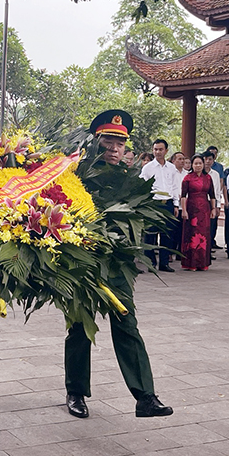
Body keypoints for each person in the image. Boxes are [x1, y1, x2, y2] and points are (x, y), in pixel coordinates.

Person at [65, 110, 173, 421]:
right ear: (96, 142)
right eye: (108, 141)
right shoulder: (79, 176)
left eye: (119, 143)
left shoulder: (133, 180)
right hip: (84, 264)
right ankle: (76, 391)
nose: (114, 148)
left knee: (127, 326)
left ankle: (145, 397)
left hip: (118, 266)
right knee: (79, 328)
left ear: (126, 148)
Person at [140, 138, 177, 272]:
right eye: (155, 149)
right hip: (153, 204)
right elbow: (142, 187)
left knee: (167, 235)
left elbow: (175, 187)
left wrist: (176, 205)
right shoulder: (148, 168)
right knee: (150, 234)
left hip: (168, 203)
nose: (158, 152)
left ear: (166, 151)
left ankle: (164, 263)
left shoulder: (172, 168)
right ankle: (151, 263)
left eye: (161, 149)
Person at [180, 154, 219, 271]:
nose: (198, 165)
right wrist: (184, 210)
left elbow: (212, 195)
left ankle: (203, 263)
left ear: (203, 164)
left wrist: (213, 208)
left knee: (204, 235)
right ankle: (191, 263)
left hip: (204, 210)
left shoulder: (208, 178)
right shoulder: (187, 178)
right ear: (192, 165)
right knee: (192, 235)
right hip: (191, 208)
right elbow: (183, 196)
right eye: (195, 163)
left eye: (200, 163)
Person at [203, 149, 226, 250]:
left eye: (210, 159)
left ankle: (208, 249)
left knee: (211, 227)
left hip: (211, 202)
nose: (208, 161)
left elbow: (217, 191)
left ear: (213, 161)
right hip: (199, 202)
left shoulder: (215, 174)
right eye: (205, 159)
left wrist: (217, 206)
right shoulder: (197, 173)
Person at [170, 151, 188, 254]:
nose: (182, 161)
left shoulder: (187, 174)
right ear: (173, 161)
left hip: (185, 206)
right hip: (174, 205)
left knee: (182, 231)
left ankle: (180, 252)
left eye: (183, 159)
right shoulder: (171, 172)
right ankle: (170, 252)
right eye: (179, 159)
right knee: (172, 230)